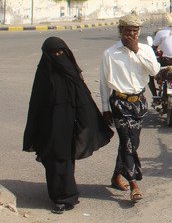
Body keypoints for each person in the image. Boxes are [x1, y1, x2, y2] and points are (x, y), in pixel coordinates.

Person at [24, 37, 113, 214]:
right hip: (49, 127)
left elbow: (83, 99)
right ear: (46, 56)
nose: (57, 56)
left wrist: (89, 121)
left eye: (60, 52)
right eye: (53, 54)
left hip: (69, 125)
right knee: (54, 160)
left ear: (66, 53)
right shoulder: (43, 75)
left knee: (64, 160)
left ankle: (64, 197)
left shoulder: (72, 72)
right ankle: (60, 196)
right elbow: (36, 105)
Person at [99, 13, 161, 202]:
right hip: (119, 103)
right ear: (121, 31)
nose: (131, 34)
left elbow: (155, 71)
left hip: (139, 102)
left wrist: (136, 51)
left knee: (132, 143)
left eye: (135, 31)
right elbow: (104, 83)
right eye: (127, 31)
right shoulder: (110, 53)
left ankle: (116, 176)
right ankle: (134, 184)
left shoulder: (145, 50)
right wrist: (105, 108)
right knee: (127, 143)